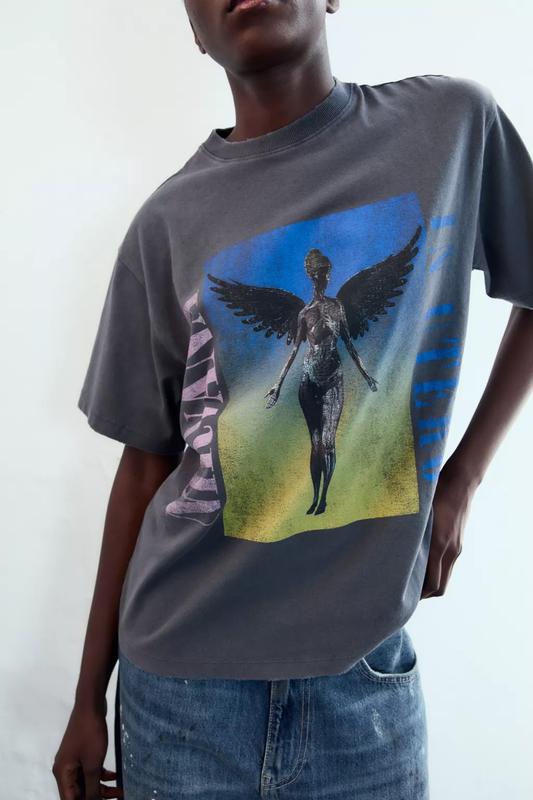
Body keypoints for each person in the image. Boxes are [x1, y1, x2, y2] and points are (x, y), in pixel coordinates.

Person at [53, 1, 533, 798]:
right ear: (194, 31)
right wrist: (84, 698)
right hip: (179, 696)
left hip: (364, 690)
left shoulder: (448, 126)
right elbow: (144, 467)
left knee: (325, 445)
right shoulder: (167, 224)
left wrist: (460, 481)